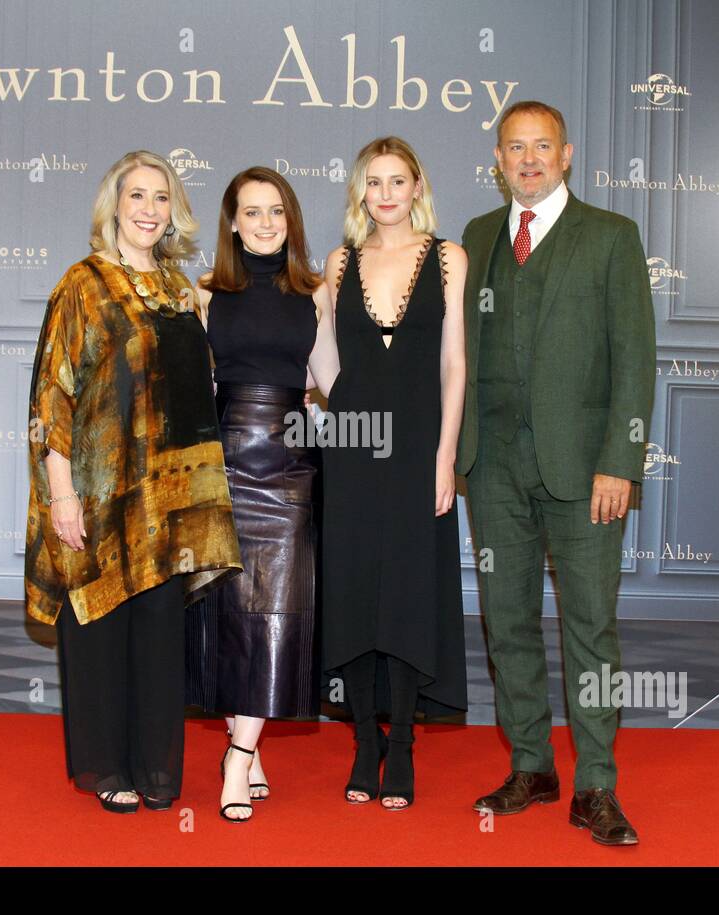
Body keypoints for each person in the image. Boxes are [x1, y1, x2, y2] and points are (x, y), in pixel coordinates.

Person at [458, 101, 656, 845]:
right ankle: (532, 765)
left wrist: (620, 463)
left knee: (591, 628)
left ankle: (596, 785)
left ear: (567, 155)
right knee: (506, 620)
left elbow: (636, 360)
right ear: (500, 160)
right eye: (516, 148)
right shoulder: (477, 238)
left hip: (585, 474)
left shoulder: (611, 237)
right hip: (494, 468)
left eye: (543, 146)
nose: (530, 159)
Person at [25, 150, 241, 815]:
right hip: (97, 495)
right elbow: (50, 398)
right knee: (102, 630)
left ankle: (155, 767)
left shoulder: (182, 289)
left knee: (156, 635)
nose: (149, 209)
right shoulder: (83, 283)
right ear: (113, 207)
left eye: (161, 198)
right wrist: (60, 490)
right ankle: (108, 766)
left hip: (170, 498)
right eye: (137, 196)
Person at [185, 167, 338, 823]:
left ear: (292, 218)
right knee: (228, 617)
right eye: (253, 213)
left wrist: (392, 428)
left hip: (290, 465)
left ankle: (238, 759)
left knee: (277, 613)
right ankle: (247, 738)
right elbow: (195, 385)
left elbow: (331, 379)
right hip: (221, 463)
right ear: (234, 223)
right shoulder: (205, 296)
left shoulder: (317, 295)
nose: (267, 223)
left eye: (277, 211)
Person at [320, 136, 468, 810]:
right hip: (351, 446)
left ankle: (402, 740)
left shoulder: (448, 259)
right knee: (351, 586)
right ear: (360, 191)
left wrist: (445, 458)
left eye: (397, 180)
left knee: (408, 590)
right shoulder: (338, 262)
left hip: (416, 447)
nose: (385, 193)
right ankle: (362, 740)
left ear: (417, 187)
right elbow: (328, 365)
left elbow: (454, 365)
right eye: (373, 182)